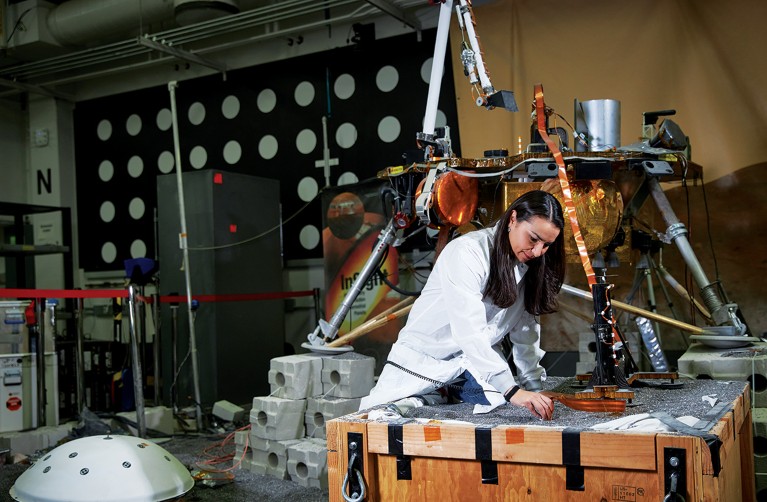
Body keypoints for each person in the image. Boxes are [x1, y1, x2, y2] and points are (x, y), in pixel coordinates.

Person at [358, 189, 566, 419]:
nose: (537, 251)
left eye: (546, 245)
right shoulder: (468, 252)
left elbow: (526, 332)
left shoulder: (528, 266)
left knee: (495, 406)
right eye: (533, 239)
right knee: (382, 419)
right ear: (513, 219)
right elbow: (469, 332)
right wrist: (512, 389)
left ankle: (438, 395)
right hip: (423, 364)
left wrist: (534, 386)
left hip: (469, 368)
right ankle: (426, 397)